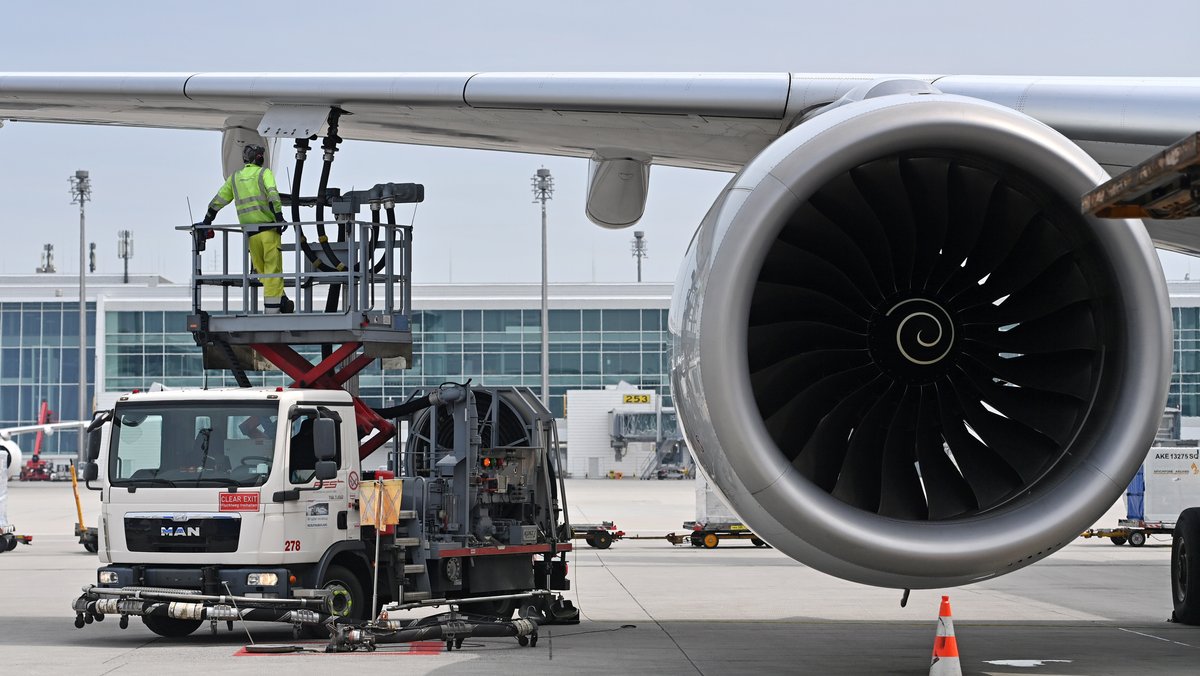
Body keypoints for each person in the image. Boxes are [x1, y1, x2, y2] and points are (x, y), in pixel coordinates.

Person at [198, 144, 294, 313]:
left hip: (250, 234)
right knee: (272, 271)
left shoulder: (234, 178)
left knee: (261, 271)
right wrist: (279, 217)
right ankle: (273, 309)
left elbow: (218, 200)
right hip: (269, 231)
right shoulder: (264, 173)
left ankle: (281, 299)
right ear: (258, 158)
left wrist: (207, 220)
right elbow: (272, 194)